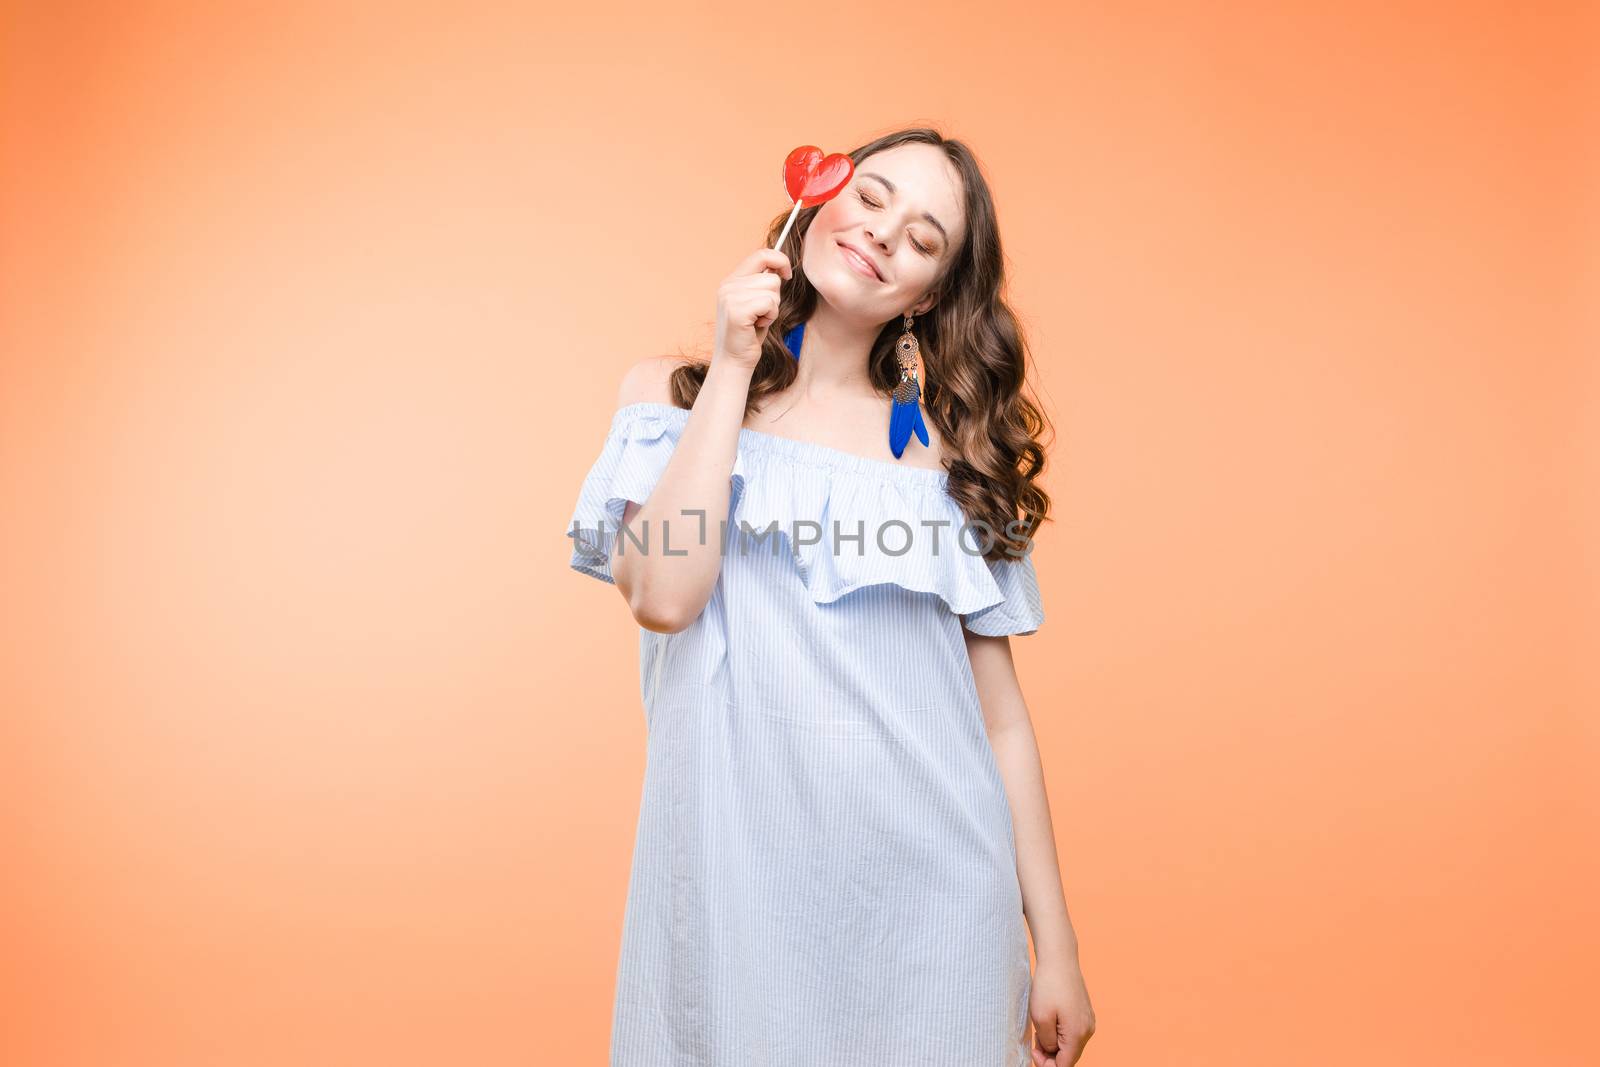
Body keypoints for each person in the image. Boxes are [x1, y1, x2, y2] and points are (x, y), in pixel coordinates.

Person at [566, 127, 1095, 1067]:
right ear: (821, 198)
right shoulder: (670, 403)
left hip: (934, 911)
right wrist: (732, 368)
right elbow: (662, 595)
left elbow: (1001, 723)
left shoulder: (949, 460)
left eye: (925, 237)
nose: (886, 231)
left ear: (928, 294)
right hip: (736, 898)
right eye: (874, 195)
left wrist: (1056, 946)